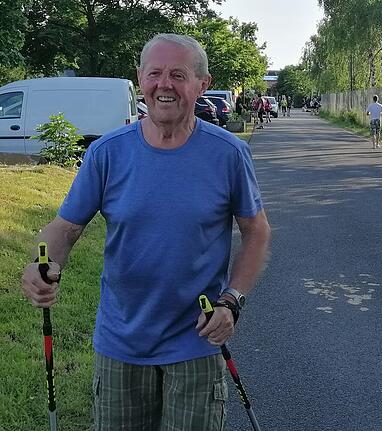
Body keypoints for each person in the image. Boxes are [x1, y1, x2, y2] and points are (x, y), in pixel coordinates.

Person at [20, 33, 272, 430]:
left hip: (196, 341)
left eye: (178, 74)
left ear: (201, 84)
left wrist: (232, 300)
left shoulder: (227, 153)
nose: (164, 84)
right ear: (141, 79)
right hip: (121, 343)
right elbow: (65, 227)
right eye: (154, 73)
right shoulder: (107, 152)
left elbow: (256, 231)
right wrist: (42, 263)